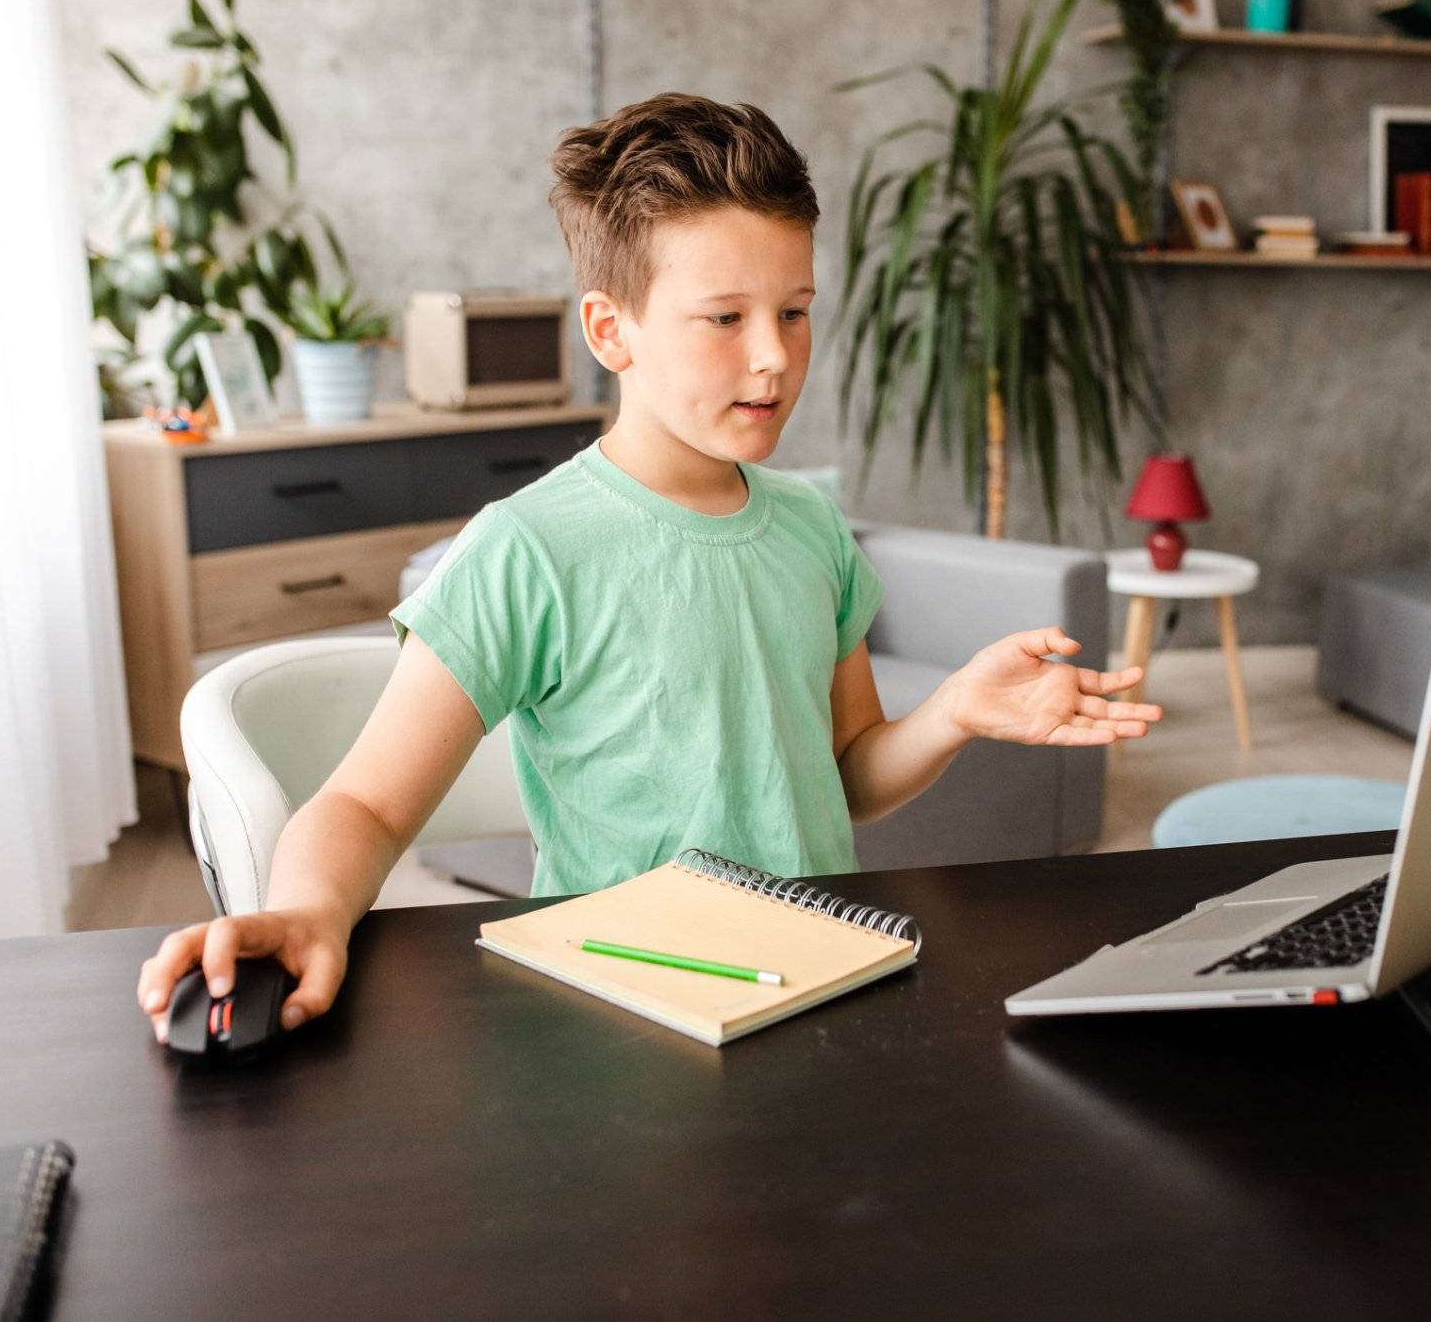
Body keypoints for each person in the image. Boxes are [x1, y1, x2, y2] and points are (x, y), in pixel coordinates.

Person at [136, 93, 1162, 1038]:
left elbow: (841, 779)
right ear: (609, 329)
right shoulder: (526, 547)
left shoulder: (809, 528)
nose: (772, 355)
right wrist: (307, 910)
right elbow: (364, 804)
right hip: (621, 1015)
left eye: (794, 310)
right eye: (725, 318)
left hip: (817, 981)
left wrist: (953, 712)